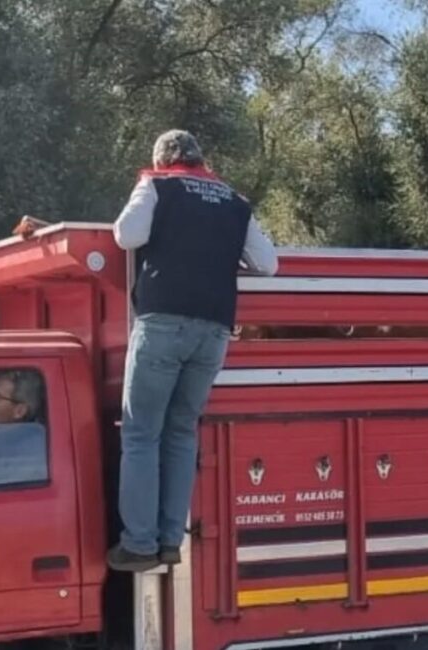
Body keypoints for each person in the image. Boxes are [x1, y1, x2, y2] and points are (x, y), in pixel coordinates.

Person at [108, 129, 278, 572]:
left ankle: (139, 544)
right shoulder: (234, 201)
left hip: (163, 323)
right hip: (214, 332)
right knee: (182, 432)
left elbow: (126, 236)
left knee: (142, 433)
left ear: (163, 159)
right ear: (201, 159)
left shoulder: (157, 185)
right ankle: (169, 541)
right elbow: (268, 263)